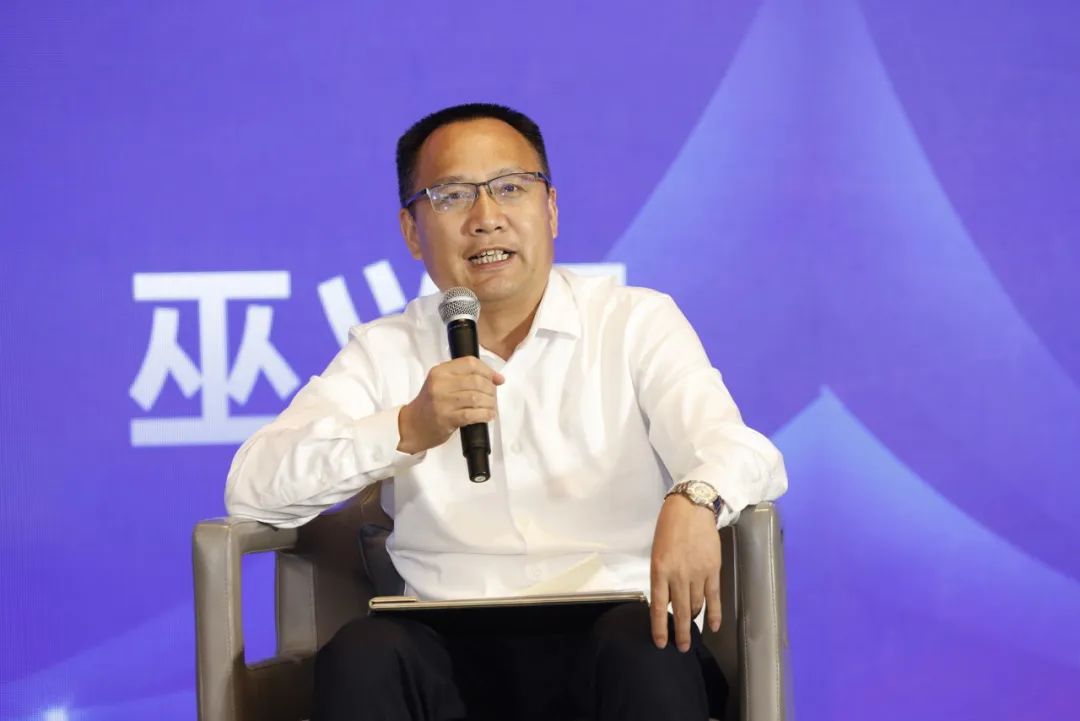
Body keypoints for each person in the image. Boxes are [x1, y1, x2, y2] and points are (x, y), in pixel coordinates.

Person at [226, 103, 787, 721]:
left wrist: (695, 497)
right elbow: (252, 486)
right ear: (412, 231)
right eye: (451, 196)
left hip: (615, 637)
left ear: (551, 209)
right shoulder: (385, 349)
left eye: (511, 188)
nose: (485, 218)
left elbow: (742, 450)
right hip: (448, 647)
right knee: (362, 655)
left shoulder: (634, 322)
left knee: (644, 648)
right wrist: (405, 428)